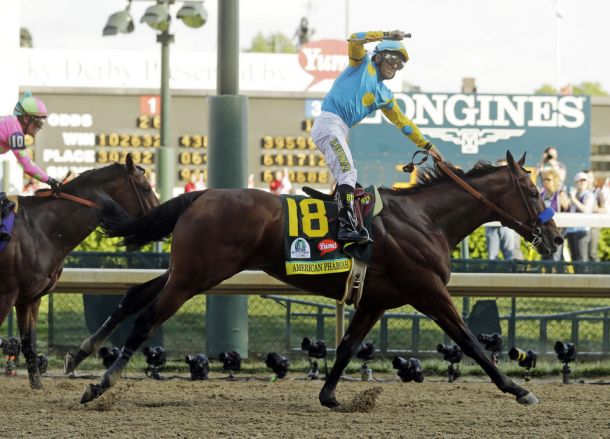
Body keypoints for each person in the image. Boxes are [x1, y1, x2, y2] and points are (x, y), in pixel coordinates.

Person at [311, 30, 443, 243]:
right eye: (392, 59)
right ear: (378, 55)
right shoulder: (360, 63)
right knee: (348, 172)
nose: (395, 66)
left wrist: (428, 146)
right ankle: (346, 226)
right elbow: (355, 38)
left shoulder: (385, 95)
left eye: (400, 64)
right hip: (328, 124)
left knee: (353, 184)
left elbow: (404, 123)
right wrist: (387, 34)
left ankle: (346, 217)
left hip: (339, 129)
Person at [0, 91, 60, 191]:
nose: (40, 127)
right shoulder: (15, 134)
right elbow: (27, 166)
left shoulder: (11, 124)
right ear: (26, 119)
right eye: (39, 122)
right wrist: (51, 181)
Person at [539, 169, 569, 262]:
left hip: (556, 231)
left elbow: (567, 207)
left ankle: (557, 276)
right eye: (544, 179)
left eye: (548, 179)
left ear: (555, 180)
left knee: (556, 257)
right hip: (544, 232)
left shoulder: (559, 194)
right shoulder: (542, 194)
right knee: (545, 257)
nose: (545, 182)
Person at [564, 171, 595, 264]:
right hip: (571, 231)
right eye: (579, 181)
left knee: (582, 259)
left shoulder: (589, 195)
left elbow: (585, 210)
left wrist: (573, 199)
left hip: (582, 231)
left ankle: (584, 278)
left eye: (584, 181)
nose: (582, 183)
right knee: (574, 259)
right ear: (575, 183)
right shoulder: (573, 195)